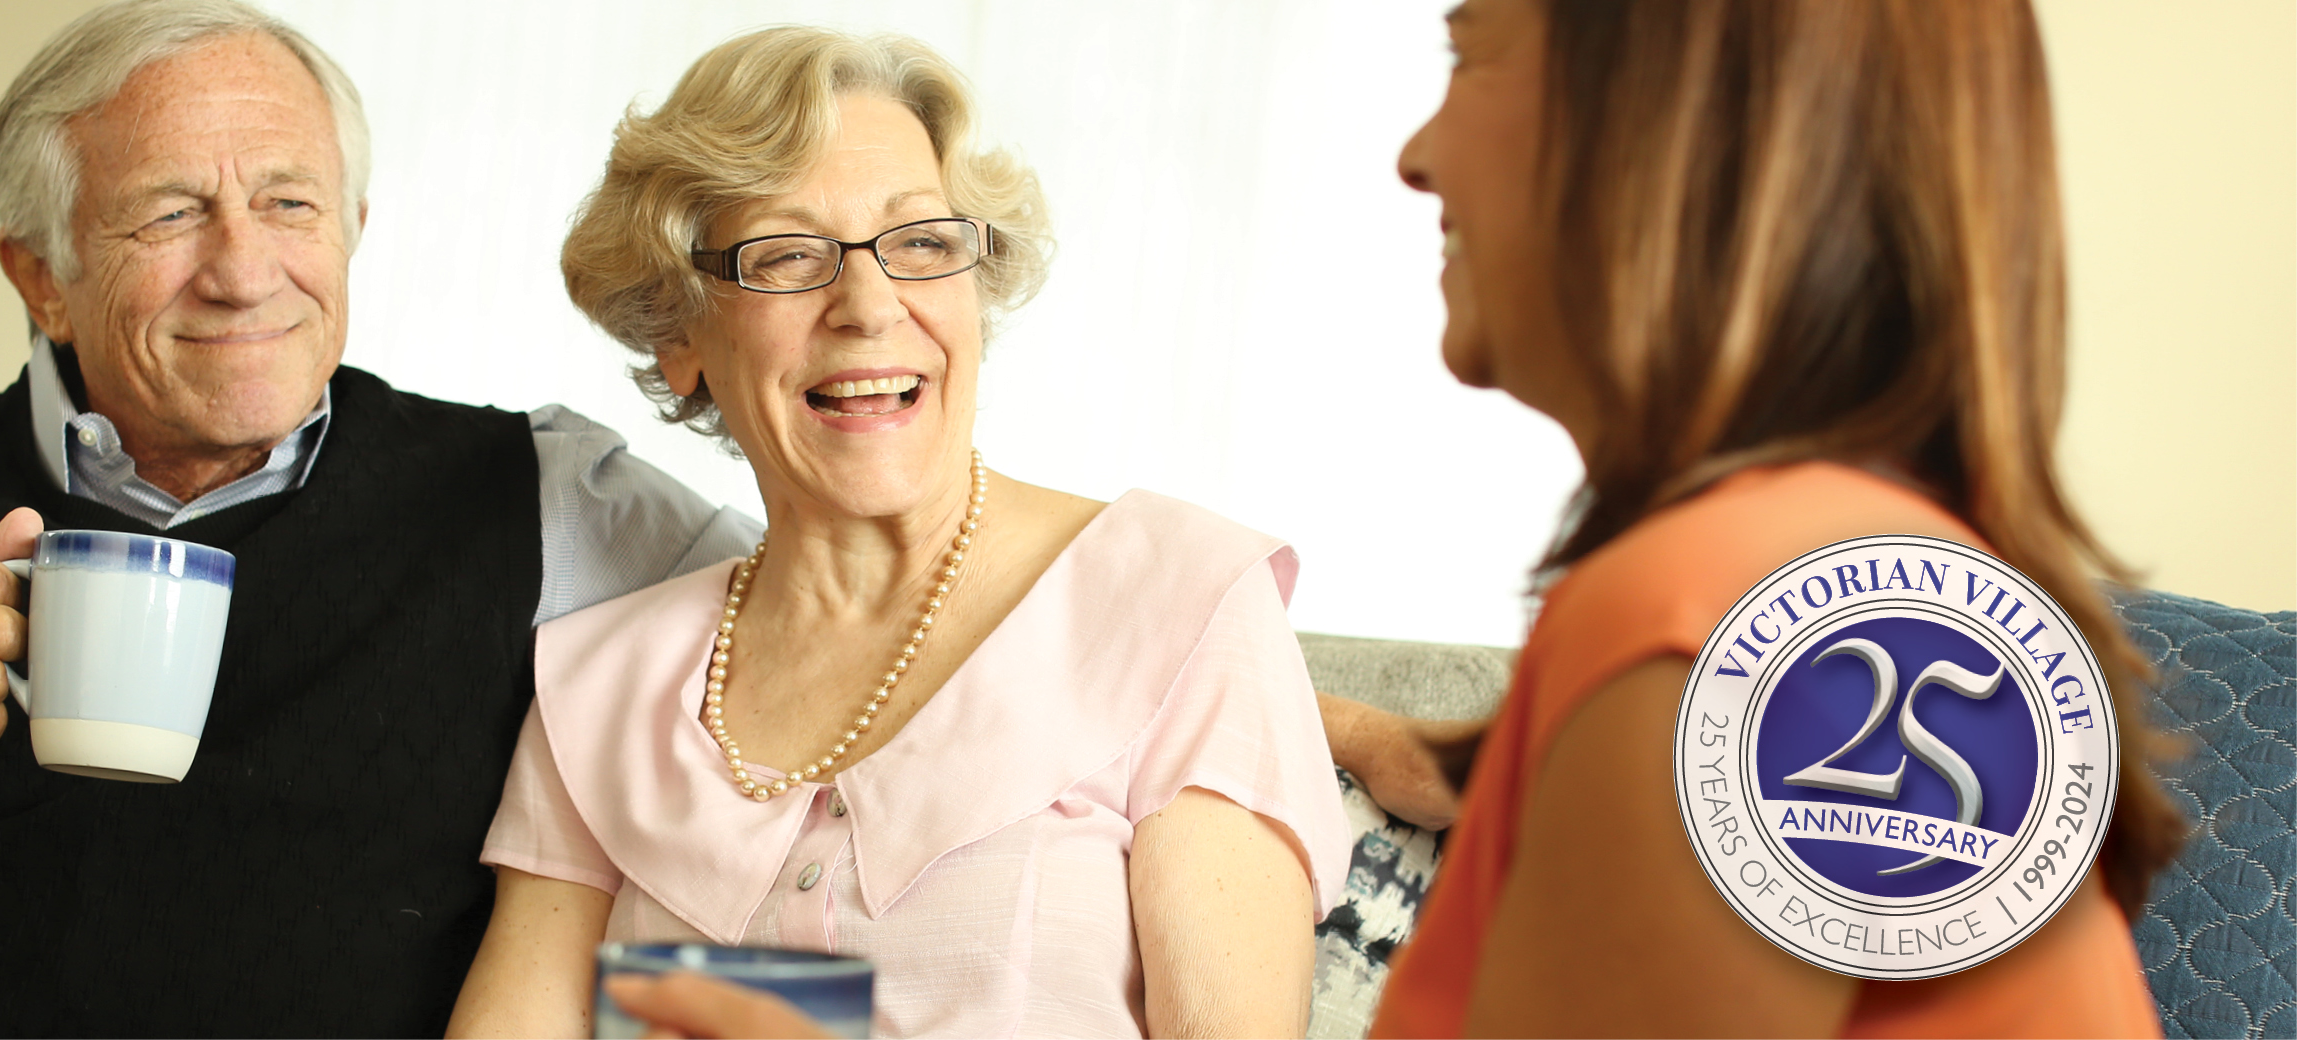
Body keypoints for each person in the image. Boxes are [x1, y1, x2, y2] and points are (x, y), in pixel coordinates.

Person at [0, 2, 767, 1035]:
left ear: (353, 231)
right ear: (40, 274)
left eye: (291, 203)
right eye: (170, 212)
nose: (243, 271)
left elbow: (851, 629)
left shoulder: (547, 500)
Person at [446, 27, 1346, 1038]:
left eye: (921, 243)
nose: (869, 307)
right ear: (681, 331)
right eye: (787, 254)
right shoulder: (599, 688)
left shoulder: (1180, 600)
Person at [1369, 0, 2184, 1035]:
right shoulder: (1833, 575)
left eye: (1466, 47)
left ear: (1670, 105)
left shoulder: (1730, 616)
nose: (1415, 155)